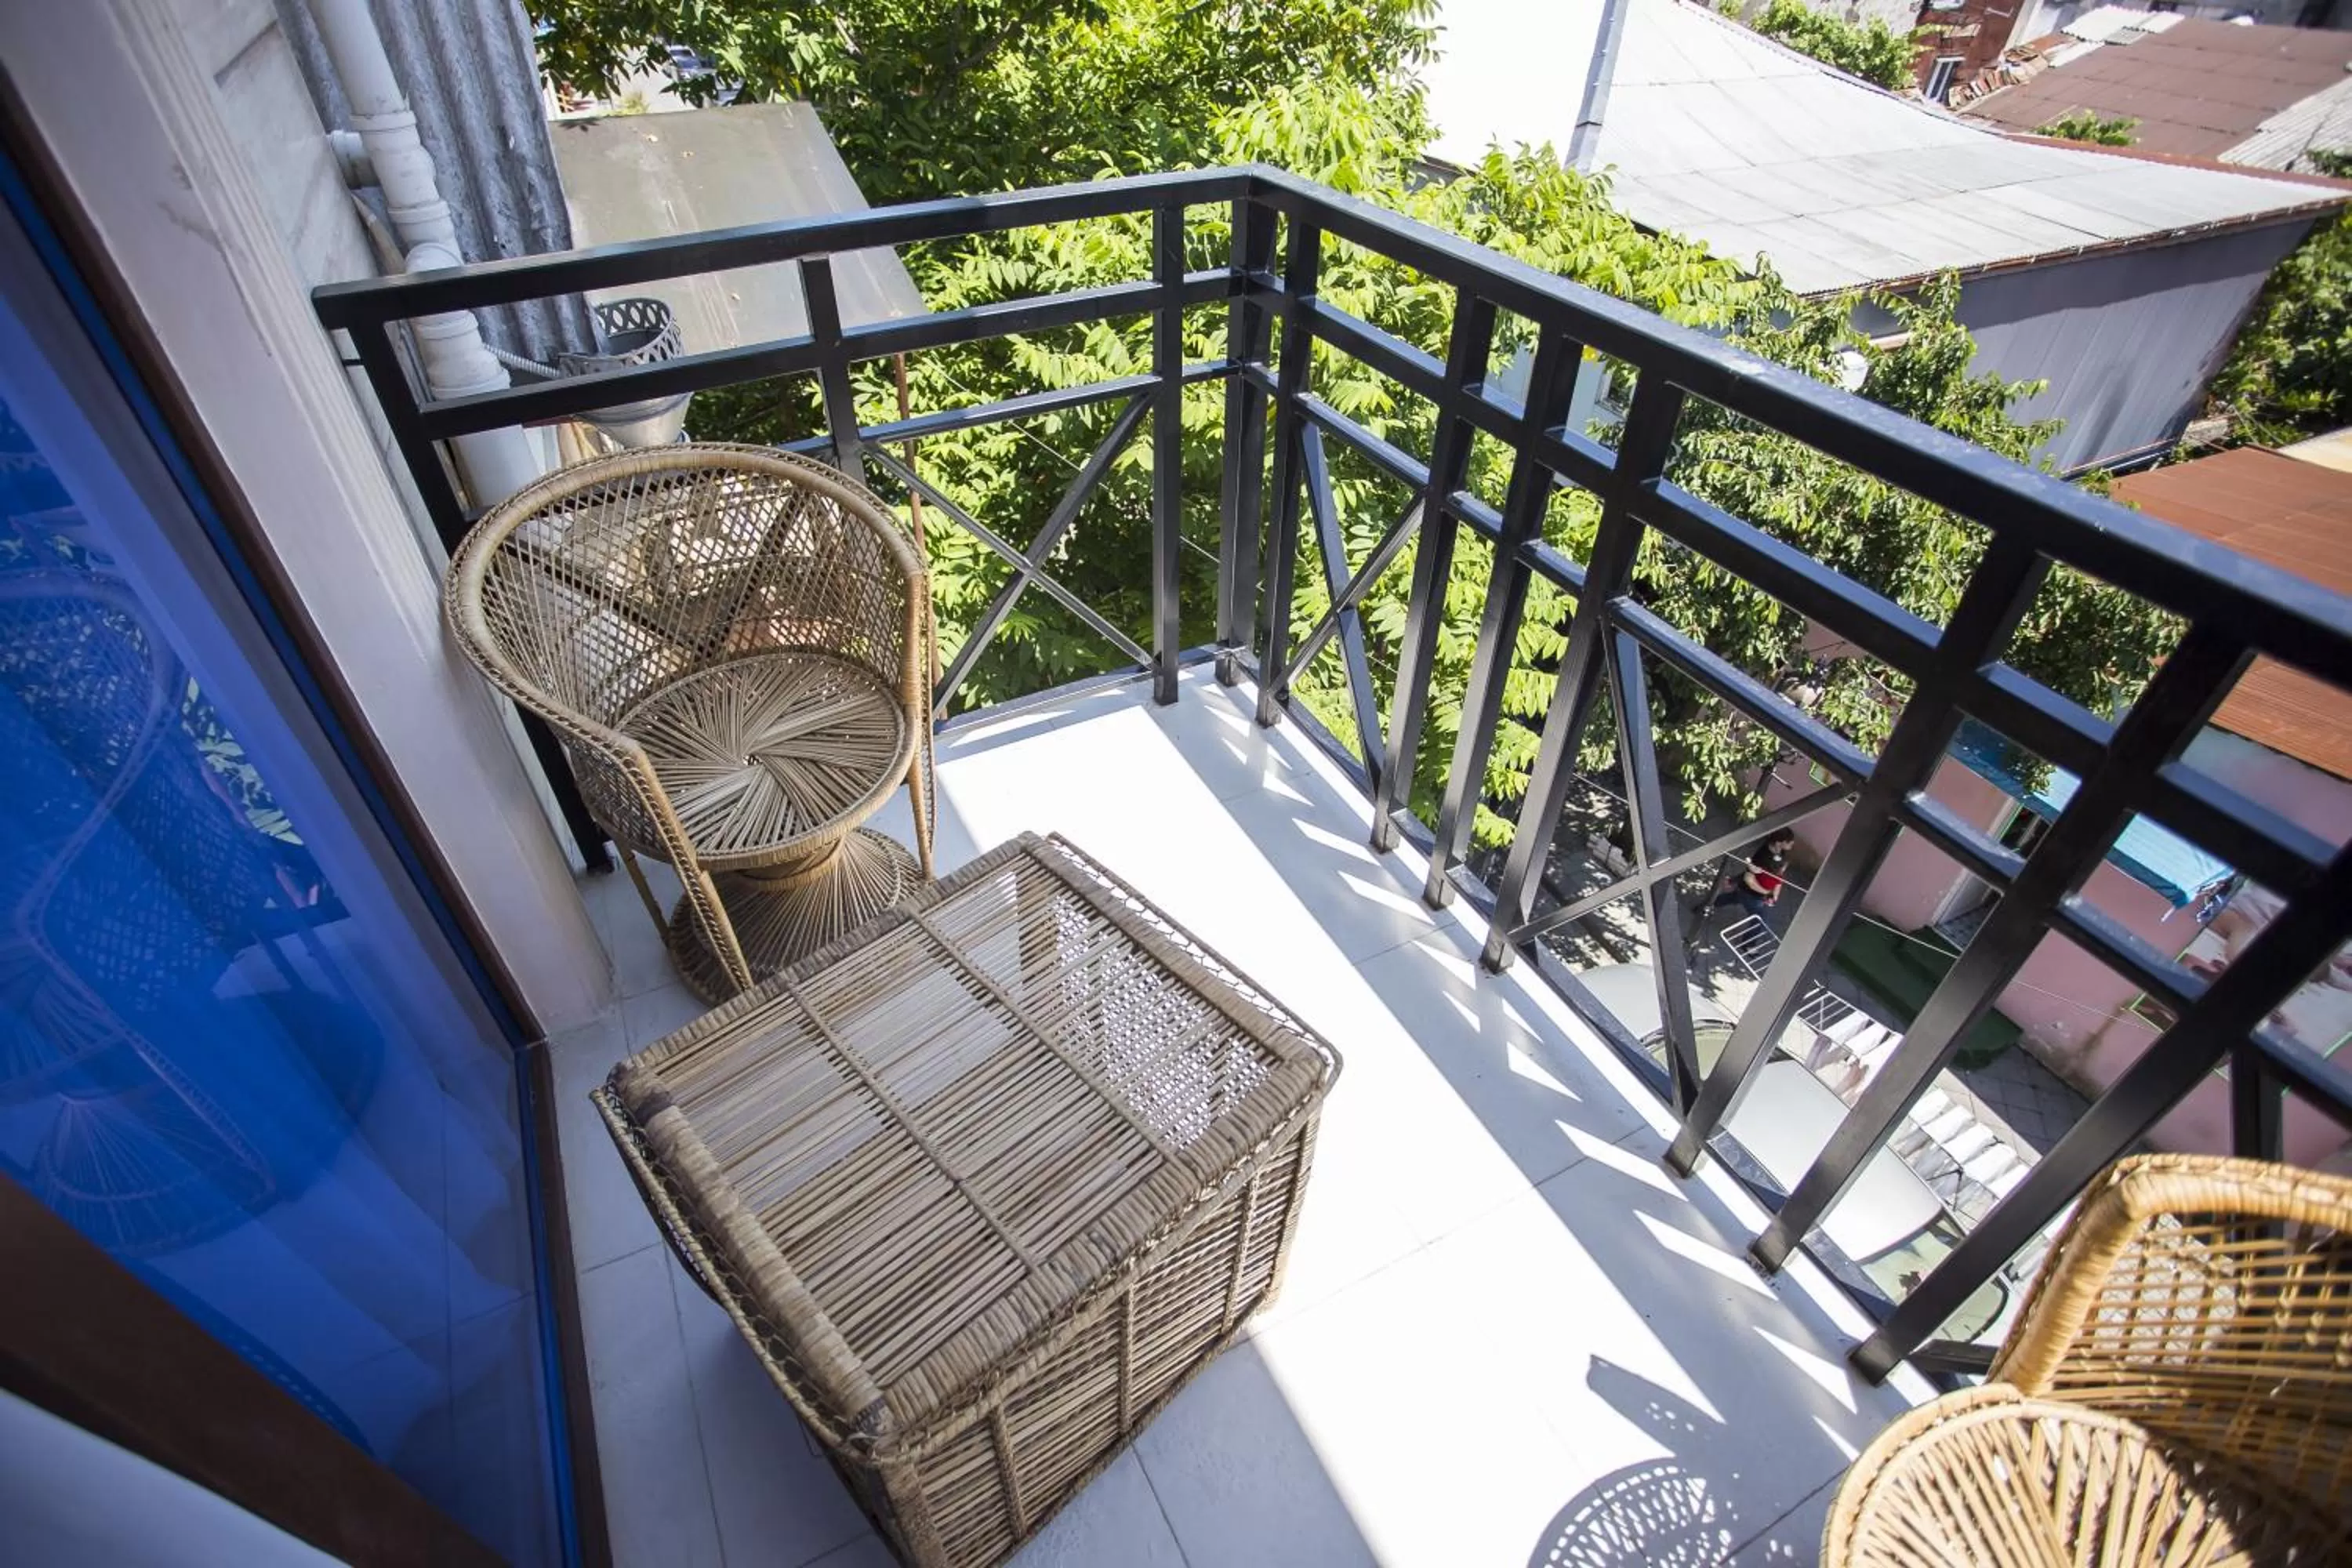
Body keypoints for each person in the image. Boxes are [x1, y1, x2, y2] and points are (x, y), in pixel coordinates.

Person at [1686, 831, 1795, 949]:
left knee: (1732, 898)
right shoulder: (1762, 857)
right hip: (1753, 894)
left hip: (1751, 892)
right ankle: (1749, 945)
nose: (1792, 844)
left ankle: (1702, 908)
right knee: (1760, 921)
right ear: (1779, 843)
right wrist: (1768, 893)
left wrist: (1774, 893)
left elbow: (1777, 877)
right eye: (1789, 842)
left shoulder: (1781, 852)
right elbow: (1749, 878)